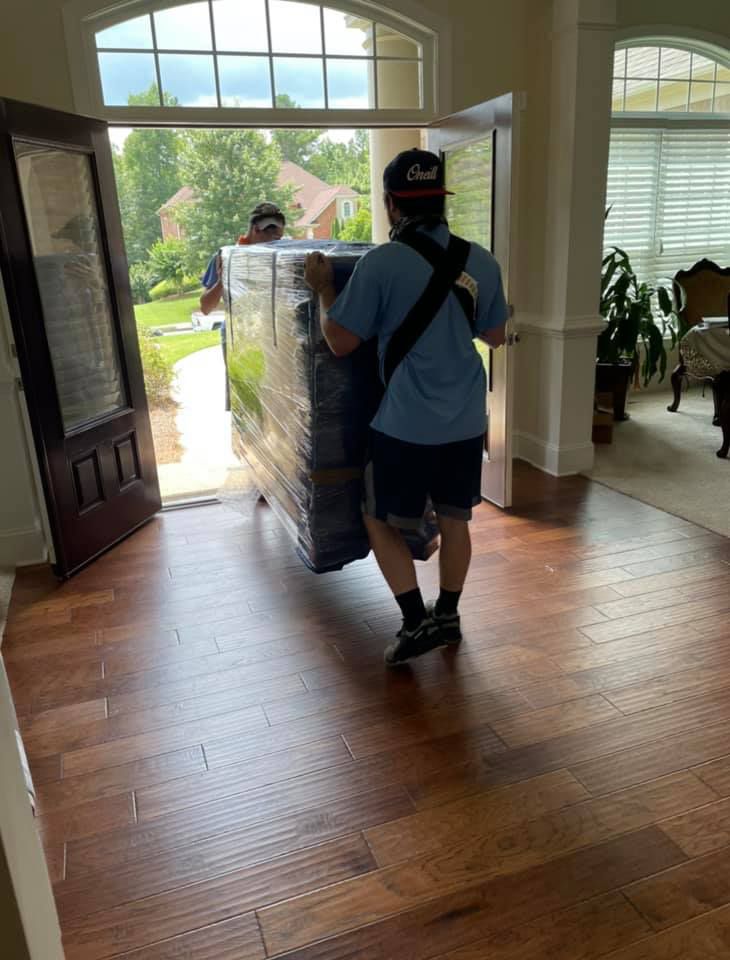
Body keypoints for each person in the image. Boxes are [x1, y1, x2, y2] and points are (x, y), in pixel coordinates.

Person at [304, 148, 508, 666]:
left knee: (378, 518)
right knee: (456, 519)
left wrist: (326, 289)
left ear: (392, 205)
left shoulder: (381, 263)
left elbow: (341, 342)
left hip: (404, 423)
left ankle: (415, 621)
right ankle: (450, 615)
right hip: (465, 416)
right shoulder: (480, 259)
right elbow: (497, 334)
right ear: (440, 201)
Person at [199, 202, 286, 409]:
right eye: (269, 232)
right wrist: (223, 280)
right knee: (244, 403)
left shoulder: (282, 256)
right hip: (237, 340)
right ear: (254, 229)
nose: (274, 240)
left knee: (274, 402)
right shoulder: (225, 256)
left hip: (272, 338)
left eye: (279, 235)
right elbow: (205, 307)